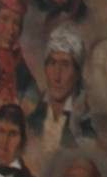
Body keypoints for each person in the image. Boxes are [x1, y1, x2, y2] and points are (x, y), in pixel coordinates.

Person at [27, 26, 99, 156]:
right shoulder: (32, 117)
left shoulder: (84, 125)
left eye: (65, 65)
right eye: (52, 63)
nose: (57, 75)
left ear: (77, 73)